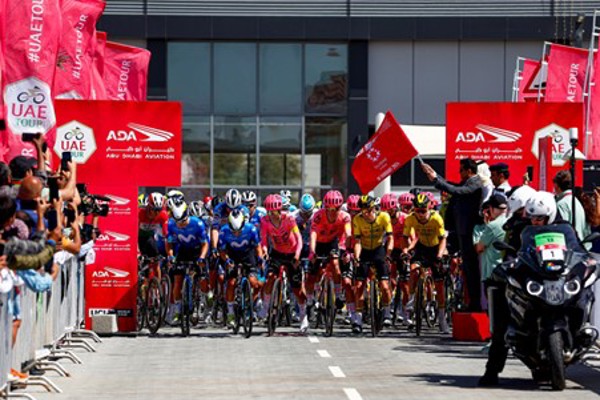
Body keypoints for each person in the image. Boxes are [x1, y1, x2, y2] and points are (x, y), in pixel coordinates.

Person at [479, 190, 557, 387]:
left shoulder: (562, 227)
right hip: (528, 282)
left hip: (555, 283)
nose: (536, 221)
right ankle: (492, 371)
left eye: (540, 218)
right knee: (502, 325)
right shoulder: (520, 228)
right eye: (532, 216)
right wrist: (511, 267)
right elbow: (511, 254)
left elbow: (574, 248)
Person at [421, 158, 484, 311]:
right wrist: (435, 176)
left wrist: (437, 179)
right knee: (467, 269)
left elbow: (457, 191)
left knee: (471, 269)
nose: (459, 173)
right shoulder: (466, 183)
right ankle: (471, 302)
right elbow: (454, 186)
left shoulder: (475, 183)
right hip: (460, 230)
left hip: (469, 231)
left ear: (469, 171)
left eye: (461, 170)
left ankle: (475, 303)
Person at [260, 194, 307, 332]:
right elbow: (263, 239)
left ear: (280, 210)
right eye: (270, 212)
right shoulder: (265, 221)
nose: (273, 215)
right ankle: (266, 306)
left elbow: (298, 238)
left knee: (297, 289)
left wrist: (297, 256)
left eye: (275, 212)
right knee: (269, 277)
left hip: (292, 253)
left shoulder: (289, 219)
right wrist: (264, 251)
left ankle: (303, 315)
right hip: (277, 253)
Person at [403, 193, 449, 333]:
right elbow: (405, 237)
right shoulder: (411, 219)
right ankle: (411, 300)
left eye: (423, 211)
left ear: (429, 208)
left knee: (439, 285)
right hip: (422, 247)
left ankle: (442, 319)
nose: (421, 214)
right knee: (414, 269)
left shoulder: (436, 218)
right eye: (418, 211)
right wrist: (407, 250)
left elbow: (442, 239)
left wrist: (440, 255)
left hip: (436, 247)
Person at [307, 190, 351, 323]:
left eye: (336, 209)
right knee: (313, 273)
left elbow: (348, 234)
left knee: (336, 265)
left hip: (332, 243)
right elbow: (313, 234)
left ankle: (338, 295)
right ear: (325, 207)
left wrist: (347, 251)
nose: (332, 212)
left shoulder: (345, 216)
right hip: (319, 243)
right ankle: (311, 298)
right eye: (329, 209)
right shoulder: (318, 216)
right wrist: (312, 252)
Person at [352, 195, 394, 333]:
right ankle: (357, 319)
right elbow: (357, 242)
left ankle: (387, 311)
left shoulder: (384, 217)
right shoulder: (357, 220)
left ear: (374, 208)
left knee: (384, 286)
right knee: (359, 285)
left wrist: (388, 254)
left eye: (368, 211)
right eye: (363, 211)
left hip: (378, 250)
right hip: (364, 251)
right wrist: (357, 257)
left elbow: (390, 238)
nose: (366, 214)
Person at [165, 202, 209, 324]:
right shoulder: (171, 224)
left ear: (187, 216)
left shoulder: (198, 224)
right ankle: (178, 311)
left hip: (197, 250)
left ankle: (201, 301)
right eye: (177, 222)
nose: (180, 225)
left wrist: (202, 258)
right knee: (178, 280)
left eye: (183, 222)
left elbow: (205, 244)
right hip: (183, 250)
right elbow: (169, 243)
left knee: (202, 278)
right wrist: (170, 256)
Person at [219, 209, 263, 328]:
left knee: (254, 282)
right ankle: (231, 314)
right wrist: (227, 260)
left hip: (248, 255)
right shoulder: (223, 231)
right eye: (234, 231)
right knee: (231, 283)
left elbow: (258, 247)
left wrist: (260, 259)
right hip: (232, 255)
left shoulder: (251, 229)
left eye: (239, 231)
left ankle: (250, 303)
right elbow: (222, 251)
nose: (237, 233)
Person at [381, 193, 411, 325]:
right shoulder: (383, 220)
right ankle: (387, 311)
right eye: (386, 211)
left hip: (405, 249)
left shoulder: (405, 218)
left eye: (391, 210)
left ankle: (405, 313)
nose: (388, 213)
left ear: (396, 208)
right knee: (390, 281)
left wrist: (407, 252)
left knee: (405, 285)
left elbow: (411, 236)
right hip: (390, 250)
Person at [553, 170, 591, 244]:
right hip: (582, 246)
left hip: (572, 248)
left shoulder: (562, 204)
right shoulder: (575, 200)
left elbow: (562, 229)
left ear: (556, 185)